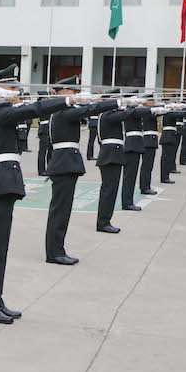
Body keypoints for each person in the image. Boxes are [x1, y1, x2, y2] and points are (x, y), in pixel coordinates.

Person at [0, 64, 70, 324]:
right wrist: (66, 100)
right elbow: (33, 110)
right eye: (11, 86)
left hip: (1, 184)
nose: (16, 90)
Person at [44, 78, 120, 266]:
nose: (76, 95)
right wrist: (114, 102)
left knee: (63, 210)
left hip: (66, 163)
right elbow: (89, 110)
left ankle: (57, 250)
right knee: (60, 211)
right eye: (73, 92)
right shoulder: (63, 112)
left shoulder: (65, 111)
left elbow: (86, 110)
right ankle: (54, 252)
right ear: (63, 93)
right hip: (64, 164)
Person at [95, 98, 156, 234]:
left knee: (111, 191)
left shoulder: (110, 114)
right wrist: (146, 108)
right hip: (110, 156)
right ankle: (103, 223)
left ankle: (105, 221)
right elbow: (128, 114)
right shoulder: (107, 115)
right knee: (108, 191)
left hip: (113, 155)